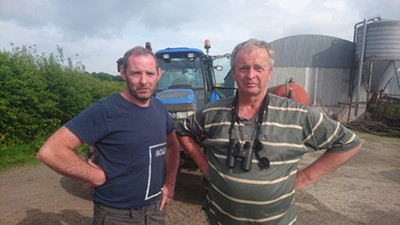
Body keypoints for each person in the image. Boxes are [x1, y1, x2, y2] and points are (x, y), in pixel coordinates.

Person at [175, 39, 362, 225]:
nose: (250, 75)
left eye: (258, 68)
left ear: (270, 72)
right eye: (243, 68)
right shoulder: (212, 112)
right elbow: (183, 130)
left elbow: (348, 143)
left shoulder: (297, 114)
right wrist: (204, 165)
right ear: (233, 72)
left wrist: (305, 177)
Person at [37, 46, 180, 225]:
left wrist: (170, 184)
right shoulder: (106, 110)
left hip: (155, 212)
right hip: (117, 215)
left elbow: (173, 146)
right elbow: (50, 151)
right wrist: (95, 176)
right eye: (136, 73)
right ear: (123, 72)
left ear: (158, 74)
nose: (144, 81)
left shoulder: (160, 108)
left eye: (149, 74)